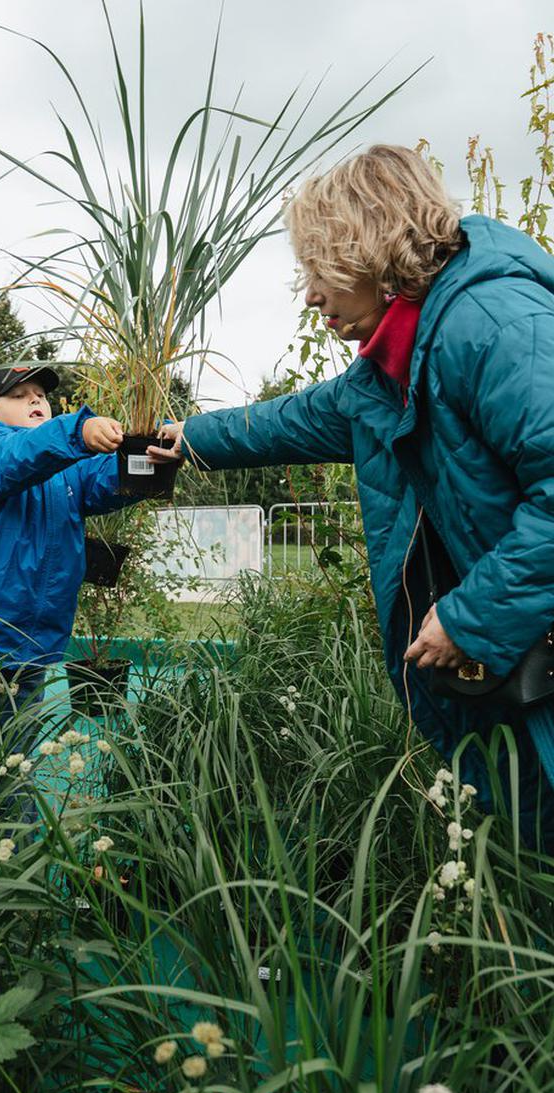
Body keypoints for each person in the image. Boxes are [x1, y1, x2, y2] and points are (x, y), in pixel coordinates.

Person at [148, 144, 554, 849]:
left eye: (318, 270)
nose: (310, 295)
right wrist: (192, 437)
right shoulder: (392, 366)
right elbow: (295, 418)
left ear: (370, 249)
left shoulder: (491, 323)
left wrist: (469, 617)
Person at [0, 365, 129, 712]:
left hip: (35, 634)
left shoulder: (66, 466)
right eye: (18, 395)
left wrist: (154, 449)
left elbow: (109, 477)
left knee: (19, 742)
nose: (34, 399)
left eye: (41, 395)